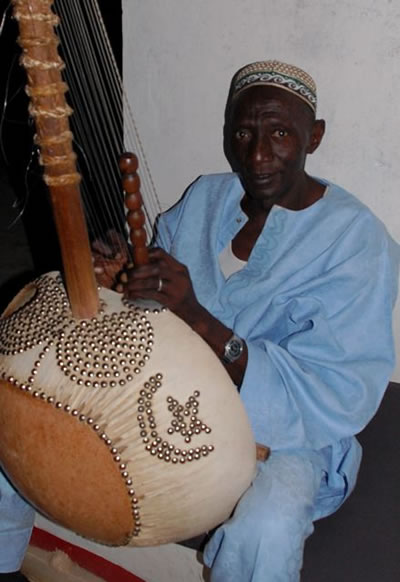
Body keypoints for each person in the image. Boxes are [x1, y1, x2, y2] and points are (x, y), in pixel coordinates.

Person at [1, 59, 399, 582]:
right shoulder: (207, 199)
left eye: (280, 133)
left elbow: (335, 395)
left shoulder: (357, 243)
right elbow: (151, 312)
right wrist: (122, 277)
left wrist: (196, 315)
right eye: (243, 132)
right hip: (168, 397)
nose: (257, 154)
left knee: (269, 526)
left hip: (287, 436)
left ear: (314, 137)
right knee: (21, 425)